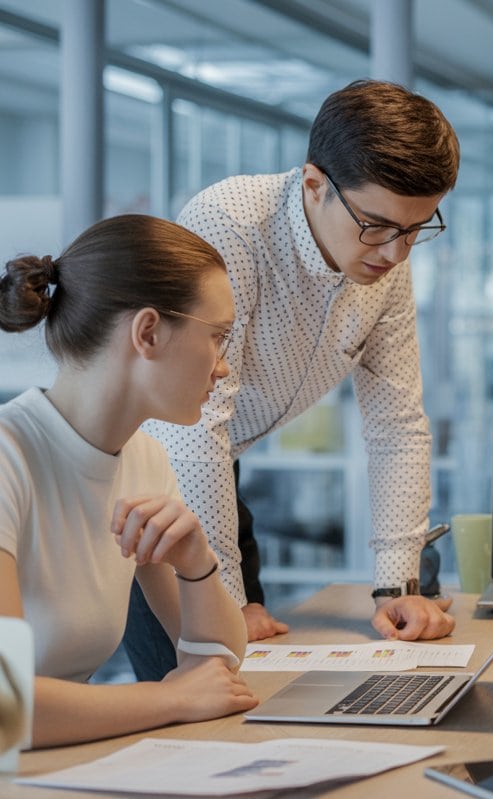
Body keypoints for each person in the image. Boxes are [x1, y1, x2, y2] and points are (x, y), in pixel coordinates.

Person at [125, 80, 460, 680]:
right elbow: (199, 423)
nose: (398, 253)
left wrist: (396, 585)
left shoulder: (383, 259)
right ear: (314, 184)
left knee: (250, 690)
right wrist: (218, 600)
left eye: (416, 229)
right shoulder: (231, 225)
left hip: (218, 466)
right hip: (153, 469)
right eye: (379, 226)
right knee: (195, 688)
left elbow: (397, 422)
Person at [0, 215, 257, 747]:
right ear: (148, 332)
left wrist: (195, 560)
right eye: (217, 337)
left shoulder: (145, 460)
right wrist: (172, 698)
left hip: (52, 773)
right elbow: (7, 704)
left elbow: (222, 663)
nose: (223, 367)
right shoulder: (9, 457)